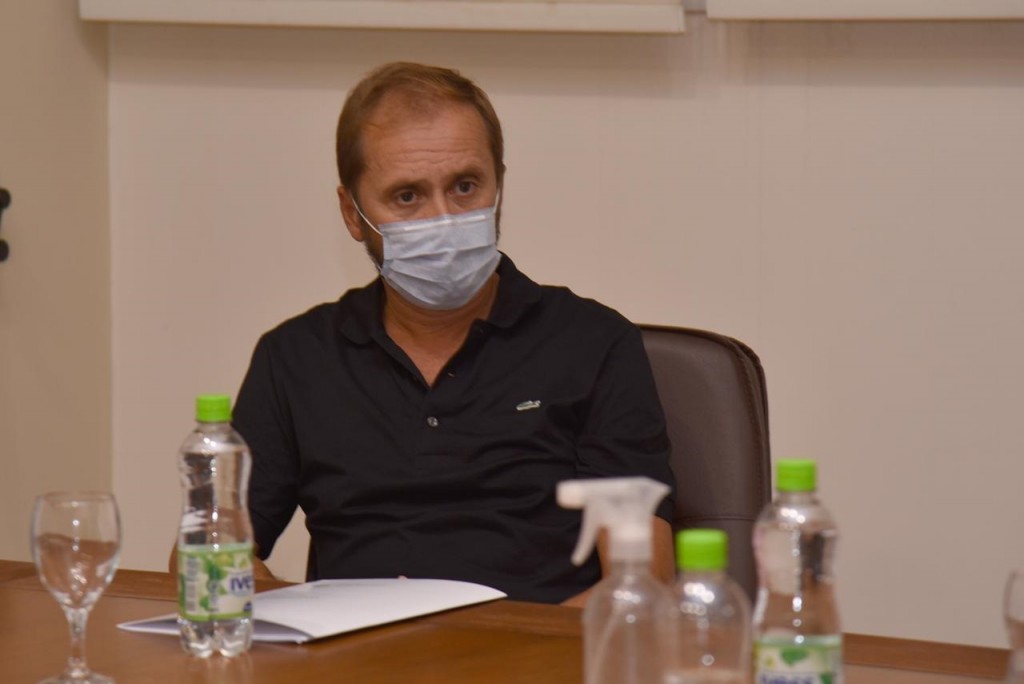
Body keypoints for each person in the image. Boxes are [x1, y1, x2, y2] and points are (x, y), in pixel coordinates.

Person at [232, 62, 675, 605]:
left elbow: (641, 580)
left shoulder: (593, 343)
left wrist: (514, 647)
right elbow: (210, 548)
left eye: (465, 186)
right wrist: (282, 623)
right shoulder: (296, 358)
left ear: (499, 185)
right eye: (407, 196)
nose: (443, 220)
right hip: (356, 647)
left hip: (537, 646)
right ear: (352, 213)